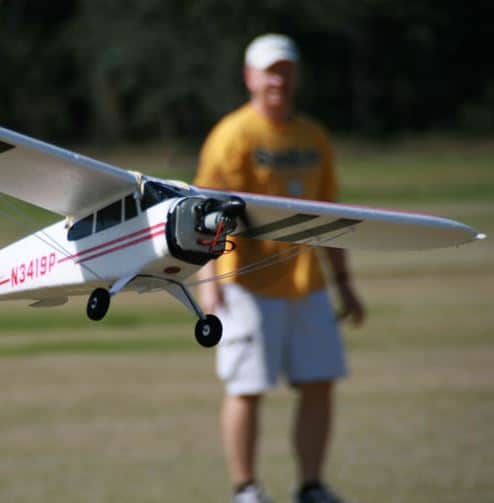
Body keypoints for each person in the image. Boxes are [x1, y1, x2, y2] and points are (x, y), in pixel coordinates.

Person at [194, 34, 365, 503]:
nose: (278, 80)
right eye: (269, 71)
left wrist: (345, 284)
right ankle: (245, 488)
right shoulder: (233, 135)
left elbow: (330, 212)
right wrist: (209, 280)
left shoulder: (314, 136)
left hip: (307, 283)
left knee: (319, 382)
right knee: (247, 386)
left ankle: (311, 485)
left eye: (285, 71)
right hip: (244, 283)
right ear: (250, 77)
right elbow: (200, 213)